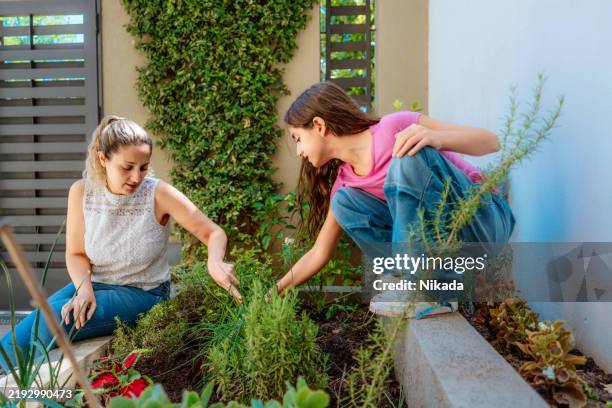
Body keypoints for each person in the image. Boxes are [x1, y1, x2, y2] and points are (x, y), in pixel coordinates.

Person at [0, 115, 241, 374]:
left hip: (143, 292)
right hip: (94, 283)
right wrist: (84, 289)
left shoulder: (158, 194)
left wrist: (214, 261)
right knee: (26, 330)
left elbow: (213, 232)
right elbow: (76, 253)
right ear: (103, 159)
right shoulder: (82, 192)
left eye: (144, 167)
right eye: (127, 167)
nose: (137, 177)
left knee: (52, 319)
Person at [274, 82, 515, 316]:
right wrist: (274, 292)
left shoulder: (394, 127)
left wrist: (435, 138)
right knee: (343, 203)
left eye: (297, 139)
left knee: (405, 157)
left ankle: (423, 287)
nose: (299, 152)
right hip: (452, 248)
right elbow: (318, 253)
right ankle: (418, 283)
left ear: (318, 125)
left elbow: (492, 141)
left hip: (482, 224)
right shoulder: (346, 184)